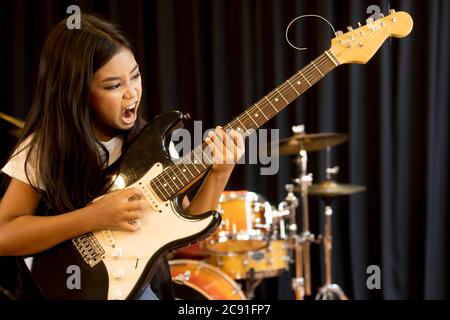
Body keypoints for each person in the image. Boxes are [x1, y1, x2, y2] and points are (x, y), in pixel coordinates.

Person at [0, 14, 244, 300]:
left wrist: (219, 173)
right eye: (113, 86)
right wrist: (93, 217)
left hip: (139, 287)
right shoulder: (44, 148)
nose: (132, 93)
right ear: (78, 93)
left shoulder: (152, 144)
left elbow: (185, 231)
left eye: (135, 76)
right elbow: (4, 235)